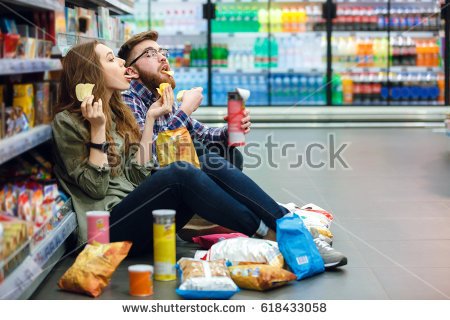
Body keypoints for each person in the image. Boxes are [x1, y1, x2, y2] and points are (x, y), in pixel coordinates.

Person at [51, 41, 347, 268]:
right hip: (105, 232)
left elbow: (137, 174)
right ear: (91, 73)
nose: (120, 63)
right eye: (110, 59)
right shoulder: (69, 122)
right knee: (182, 170)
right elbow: (97, 187)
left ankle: (285, 226)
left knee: (203, 161)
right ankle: (280, 236)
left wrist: (153, 119)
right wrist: (98, 131)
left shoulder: (117, 111)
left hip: (141, 211)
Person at [118, 30, 246, 171]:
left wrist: (233, 128)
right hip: (155, 179)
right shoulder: (128, 99)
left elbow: (205, 134)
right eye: (151, 53)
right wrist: (185, 110)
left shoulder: (163, 95)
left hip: (177, 171)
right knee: (205, 157)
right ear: (132, 72)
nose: (162, 58)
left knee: (230, 154)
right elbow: (153, 158)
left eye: (162, 52)